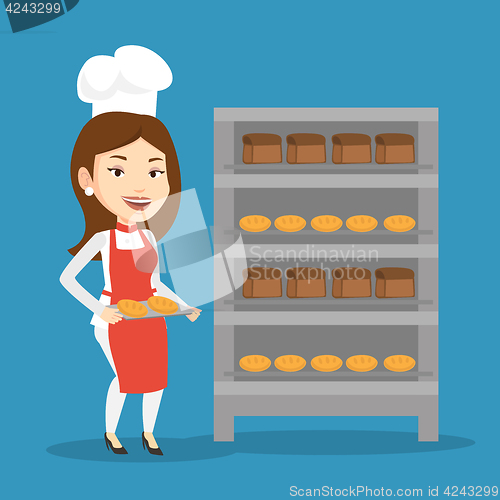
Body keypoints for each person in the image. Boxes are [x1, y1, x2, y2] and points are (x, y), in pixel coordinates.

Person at [60, 47, 201, 456]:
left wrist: (183, 305)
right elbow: (68, 278)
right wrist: (98, 310)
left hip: (150, 315)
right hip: (115, 317)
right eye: (118, 170)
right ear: (88, 178)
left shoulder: (150, 238)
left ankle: (150, 433)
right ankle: (110, 432)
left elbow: (156, 282)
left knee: (157, 379)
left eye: (155, 171)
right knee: (126, 377)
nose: (140, 187)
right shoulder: (104, 239)